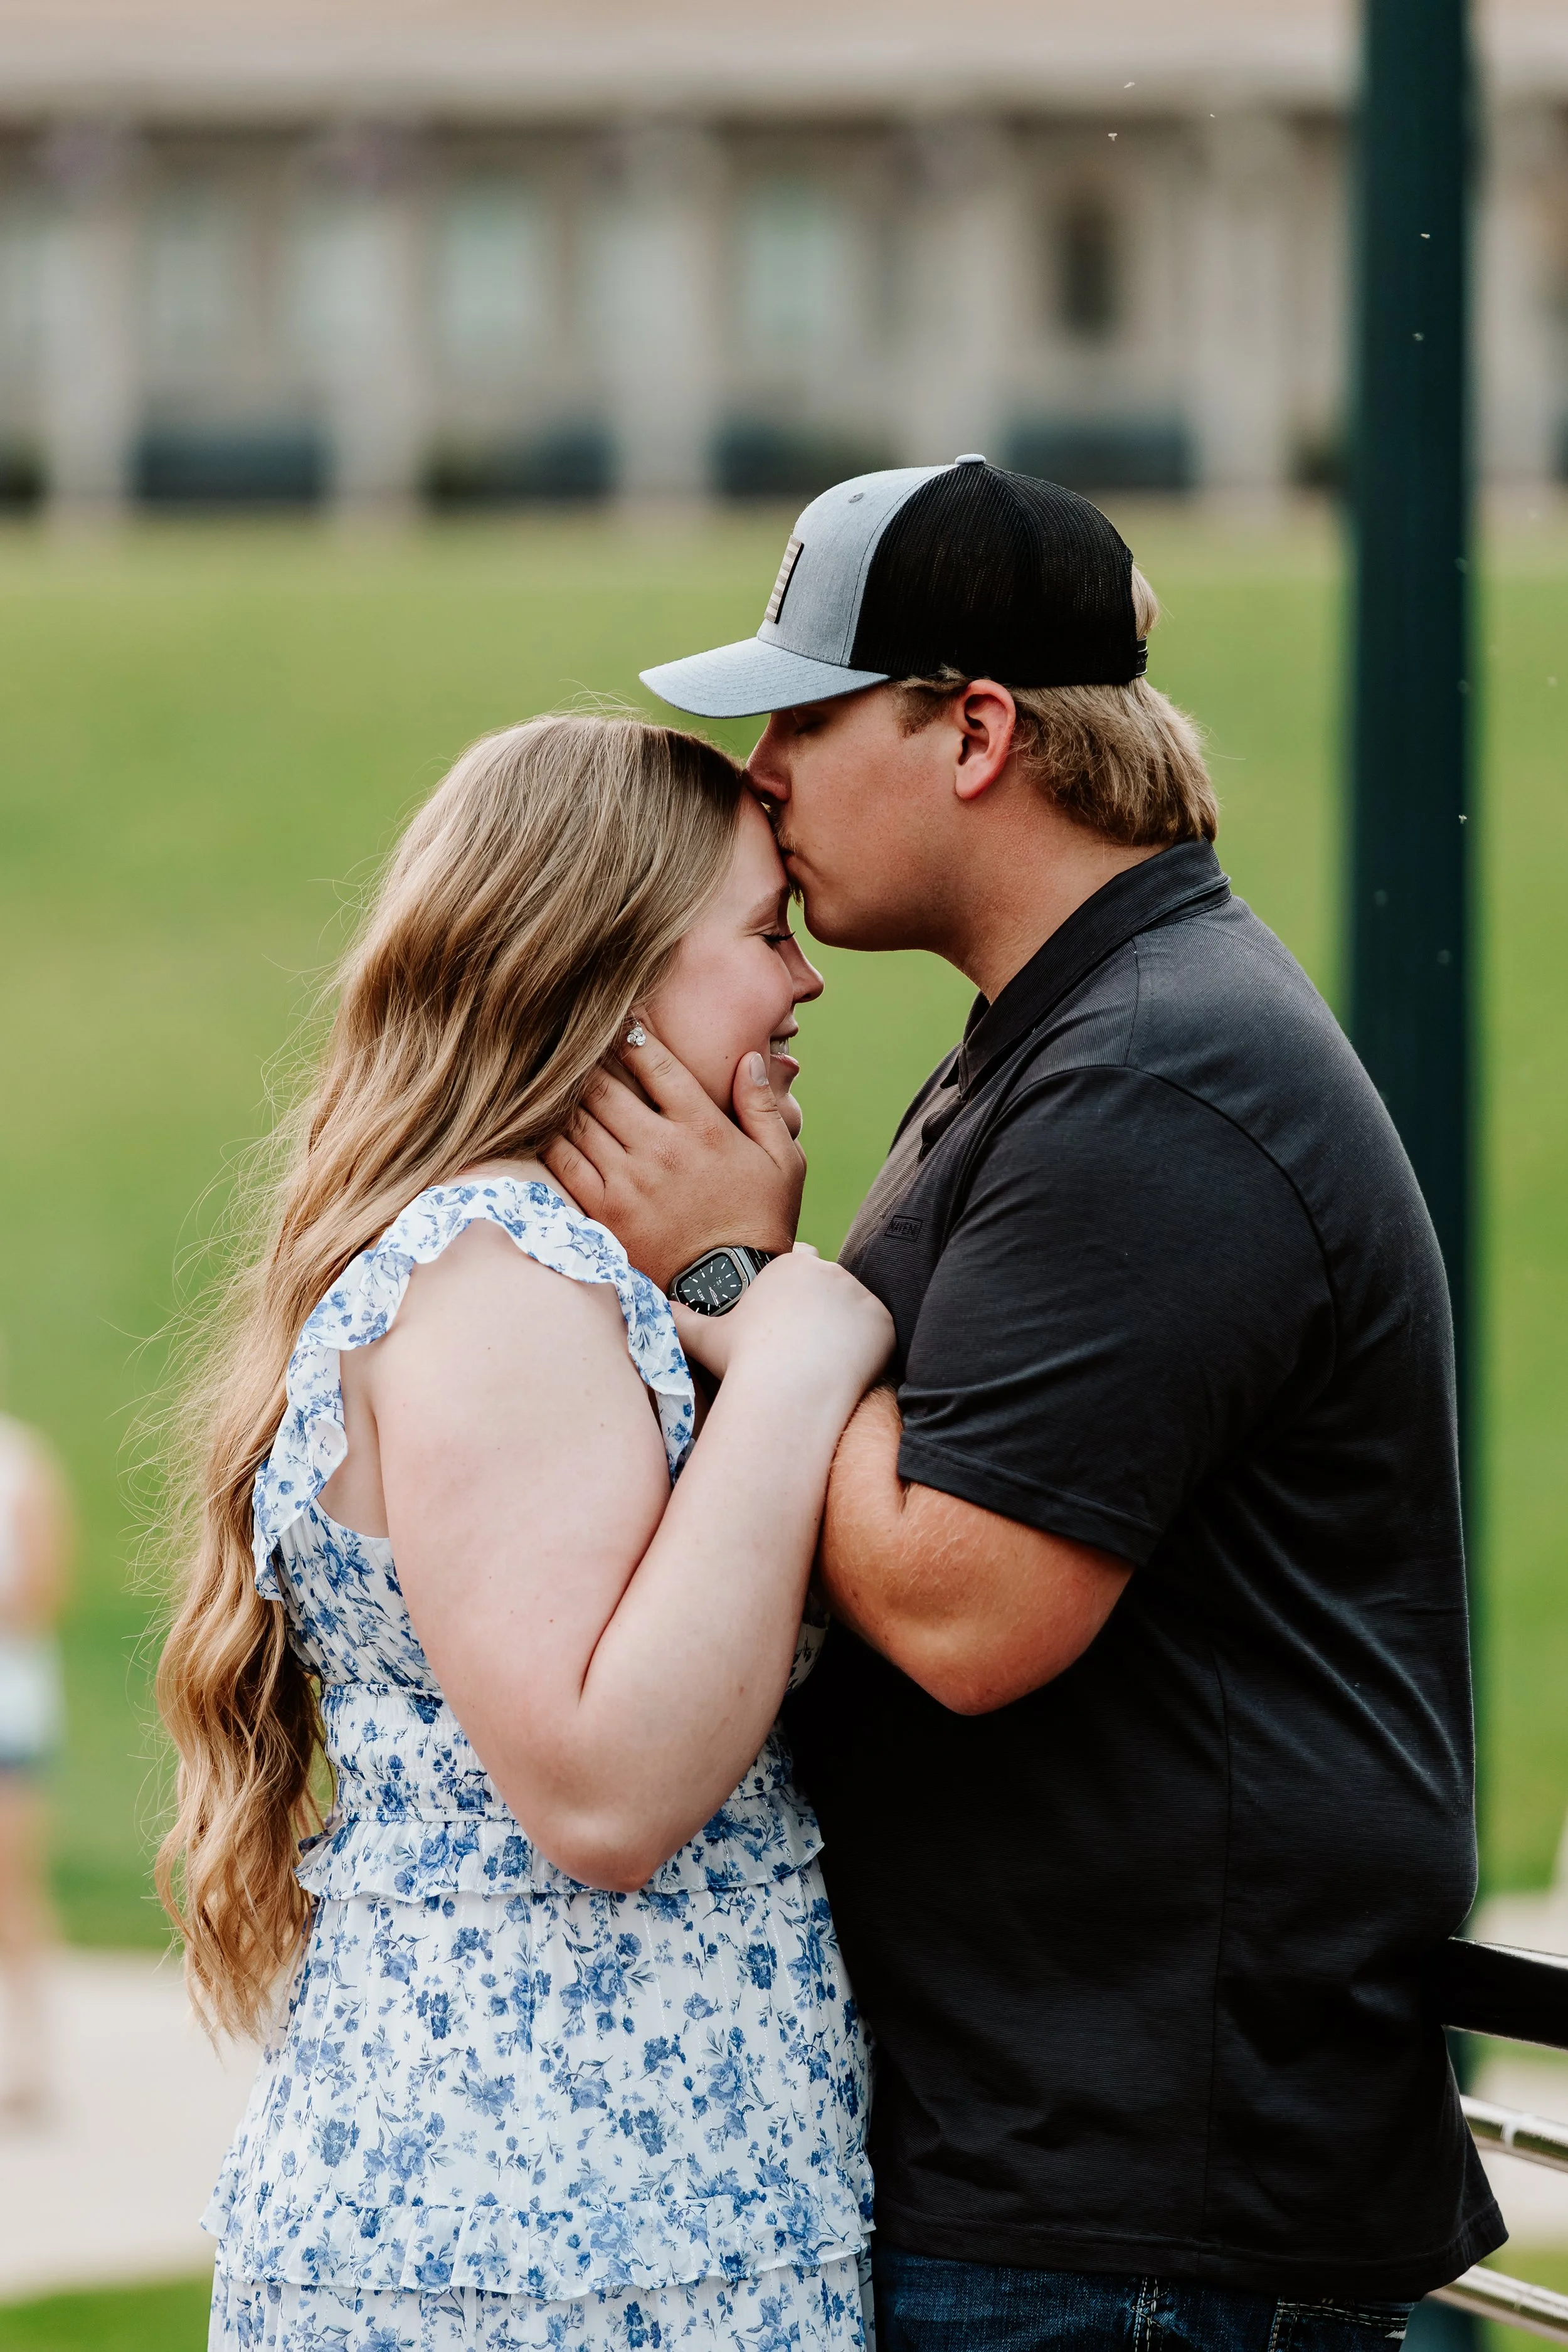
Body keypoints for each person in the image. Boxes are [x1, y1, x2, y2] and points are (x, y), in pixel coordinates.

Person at [542, 458, 1506, 2351]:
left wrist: (735, 1279)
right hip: (1076, 2175)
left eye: (806, 718)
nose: (762, 777)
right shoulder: (1073, 1034)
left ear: (973, 727)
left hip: (1126, 2213)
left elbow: (970, 1610)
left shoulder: (1154, 1077)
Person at [157, 714, 892, 2352]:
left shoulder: (547, 1271)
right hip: (552, 2252)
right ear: (609, 973)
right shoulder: (501, 1278)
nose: (803, 980)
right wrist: (793, 1344)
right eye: (760, 933)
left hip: (611, 2227)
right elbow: (605, 1781)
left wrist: (727, 1277)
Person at [0, 1365, 72, 2125]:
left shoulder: (21, 1465)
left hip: (8, 1715)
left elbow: (40, 1591)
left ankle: (30, 2059)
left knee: (10, 1885)